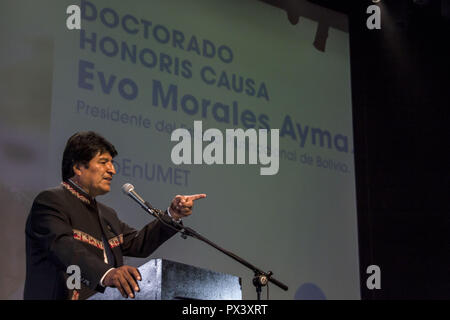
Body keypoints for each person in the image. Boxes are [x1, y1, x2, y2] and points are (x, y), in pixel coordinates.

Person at [24, 131, 206, 300]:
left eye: (111, 163)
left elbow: (138, 243)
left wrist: (172, 215)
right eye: (103, 162)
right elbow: (63, 248)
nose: (112, 170)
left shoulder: (106, 214)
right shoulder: (51, 201)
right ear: (79, 167)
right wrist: (107, 273)